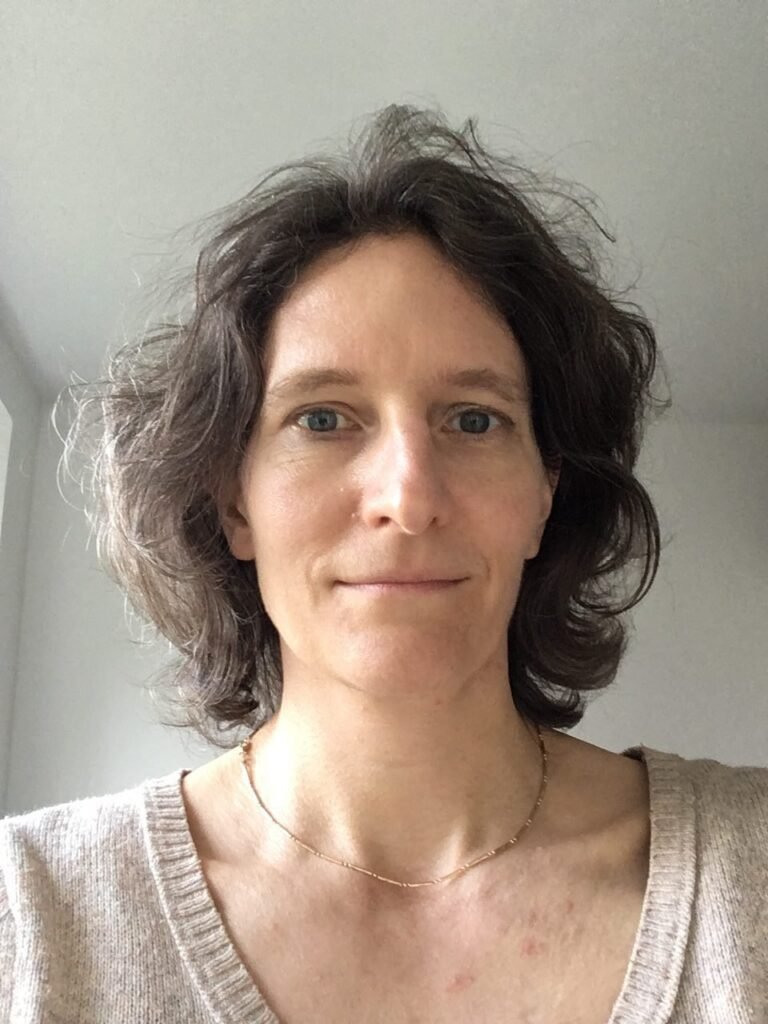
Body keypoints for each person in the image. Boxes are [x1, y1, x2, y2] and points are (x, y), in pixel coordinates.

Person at [1, 104, 766, 1023]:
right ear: (234, 503)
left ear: (543, 496)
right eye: (322, 418)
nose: (408, 496)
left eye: (474, 420)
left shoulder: (753, 870)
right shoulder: (29, 916)